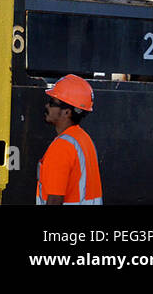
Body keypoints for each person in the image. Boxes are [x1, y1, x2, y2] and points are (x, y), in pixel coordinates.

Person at [37, 74, 102, 205]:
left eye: (52, 103)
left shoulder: (61, 147)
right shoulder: (83, 139)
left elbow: (55, 199)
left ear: (67, 112)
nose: (47, 106)